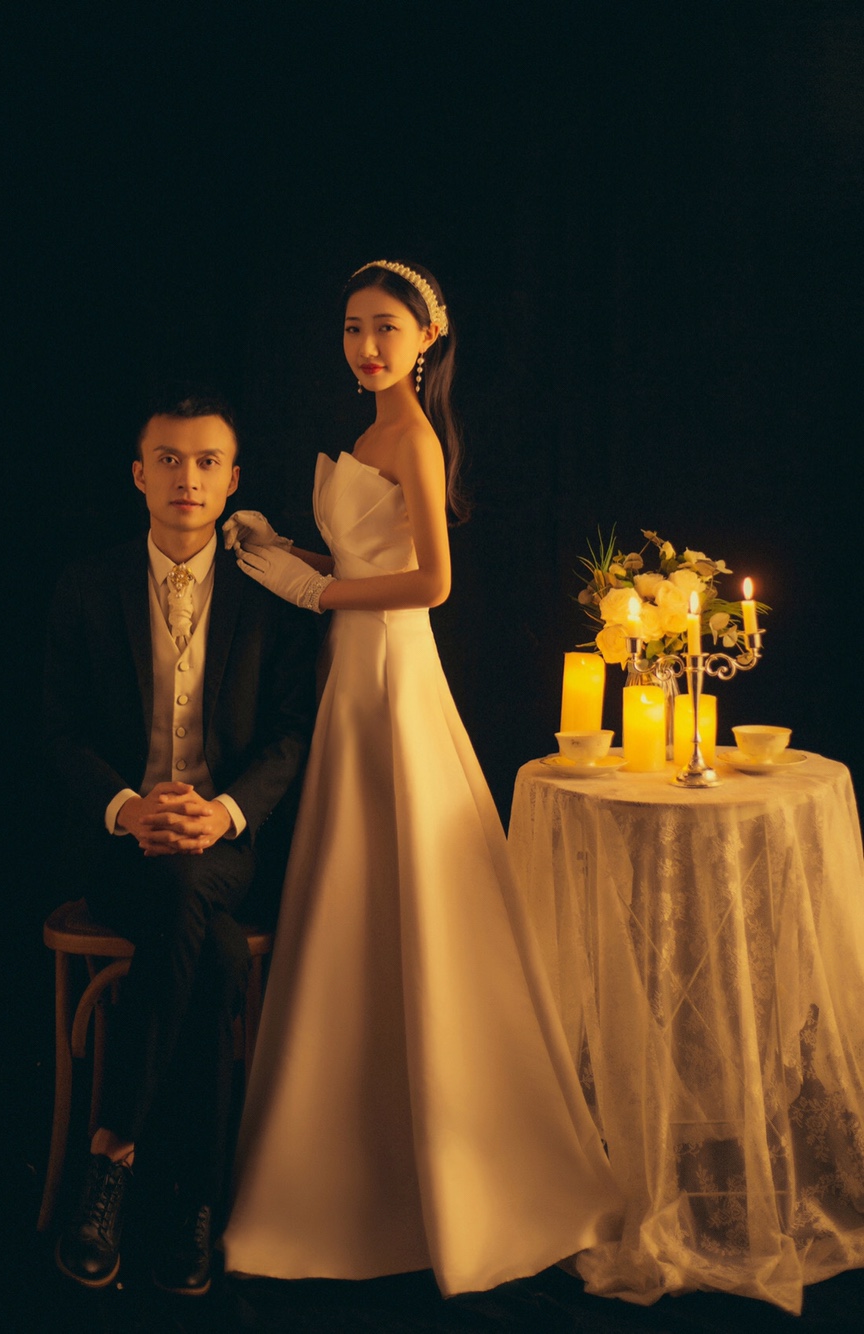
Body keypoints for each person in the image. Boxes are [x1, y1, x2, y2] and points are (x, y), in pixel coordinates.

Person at [221, 261, 624, 1297]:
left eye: (387, 329)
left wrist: (314, 590)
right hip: (352, 670)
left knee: (402, 883)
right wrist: (285, 550)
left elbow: (433, 583)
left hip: (392, 674)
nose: (367, 347)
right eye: (353, 328)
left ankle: (454, 1163)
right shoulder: (369, 435)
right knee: (356, 886)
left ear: (427, 339)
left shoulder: (412, 437)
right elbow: (366, 557)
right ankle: (352, 1139)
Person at [42, 391, 316, 1295]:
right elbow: (59, 732)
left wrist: (225, 811)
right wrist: (127, 809)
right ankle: (196, 1201)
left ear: (233, 480)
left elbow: (292, 733)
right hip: (120, 850)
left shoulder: (270, 596)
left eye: (206, 462)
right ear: (138, 474)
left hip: (226, 846)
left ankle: (109, 1160)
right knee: (214, 950)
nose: (186, 478)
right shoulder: (89, 585)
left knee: (191, 886)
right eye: (167, 459)